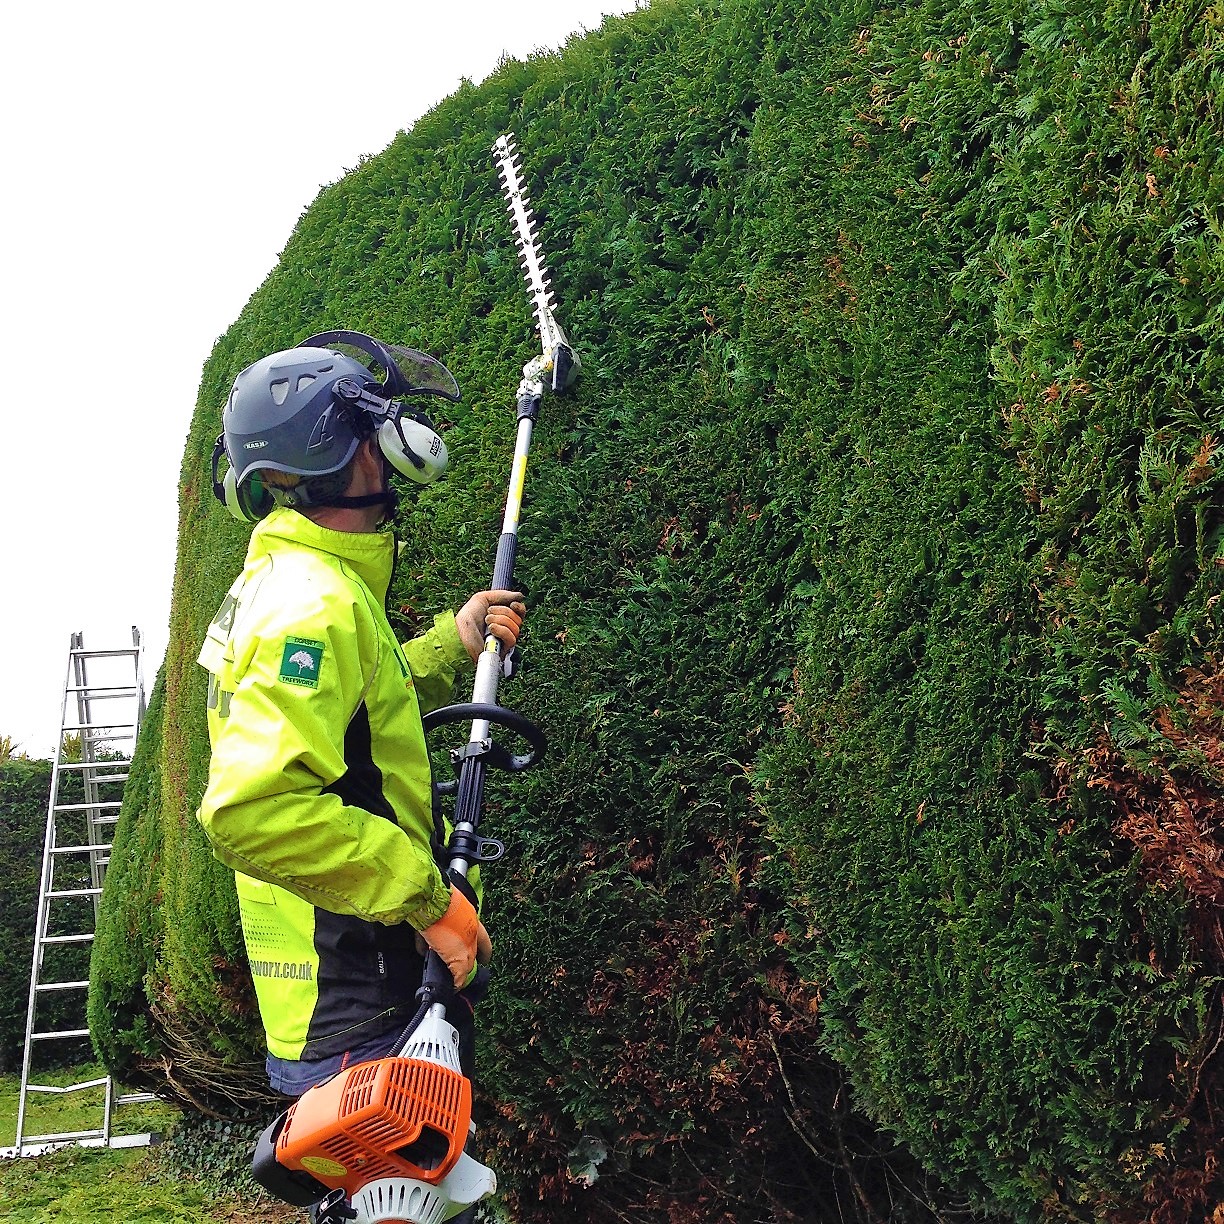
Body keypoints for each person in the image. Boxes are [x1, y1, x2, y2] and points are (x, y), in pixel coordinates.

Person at [195, 334, 525, 1097]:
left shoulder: (297, 584)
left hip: (329, 983)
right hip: (357, 986)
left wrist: (454, 639)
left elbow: (343, 713)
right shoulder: (314, 607)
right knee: (400, 1200)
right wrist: (428, 901)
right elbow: (254, 809)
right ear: (357, 451)